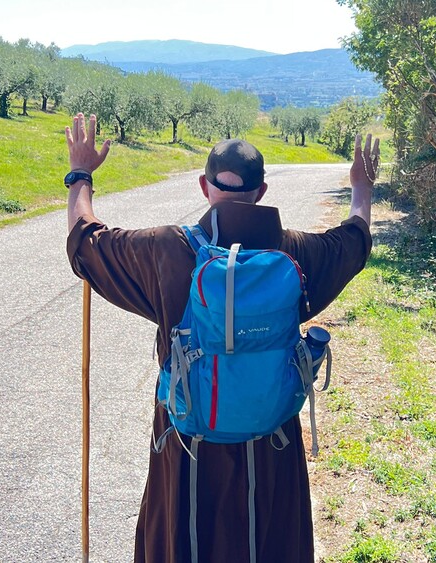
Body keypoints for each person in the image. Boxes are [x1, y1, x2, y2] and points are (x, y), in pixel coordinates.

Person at [63, 113, 379, 562]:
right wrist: (362, 188)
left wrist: (81, 174)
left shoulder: (166, 251)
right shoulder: (297, 254)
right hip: (272, 445)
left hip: (189, 449)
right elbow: (355, 240)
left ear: (203, 186)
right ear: (262, 192)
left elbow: (85, 242)